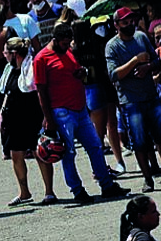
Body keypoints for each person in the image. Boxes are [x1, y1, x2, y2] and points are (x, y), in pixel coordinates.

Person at [34, 22, 128, 204]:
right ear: (55, 40)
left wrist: (82, 73)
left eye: (69, 42)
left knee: (95, 146)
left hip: (80, 109)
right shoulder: (42, 59)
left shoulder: (67, 52)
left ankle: (107, 185)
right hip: (61, 112)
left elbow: (75, 70)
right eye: (64, 43)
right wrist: (48, 118)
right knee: (68, 153)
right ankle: (77, 190)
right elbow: (41, 91)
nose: (67, 46)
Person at [105, 7, 161, 192]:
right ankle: (148, 179)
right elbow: (113, 74)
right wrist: (134, 61)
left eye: (131, 20)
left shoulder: (141, 37)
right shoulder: (112, 46)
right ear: (117, 25)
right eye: (125, 22)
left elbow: (157, 61)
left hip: (151, 96)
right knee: (139, 142)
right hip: (131, 101)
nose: (130, 24)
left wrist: (147, 67)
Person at [0, 37, 55, 206]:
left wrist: (46, 117)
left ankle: (49, 192)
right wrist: (2, 115)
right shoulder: (9, 69)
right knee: (16, 155)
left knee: (40, 154)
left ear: (14, 54)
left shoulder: (31, 68)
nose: (4, 55)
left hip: (32, 118)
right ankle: (24, 192)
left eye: (6, 52)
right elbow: (7, 93)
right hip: (14, 121)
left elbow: (40, 91)